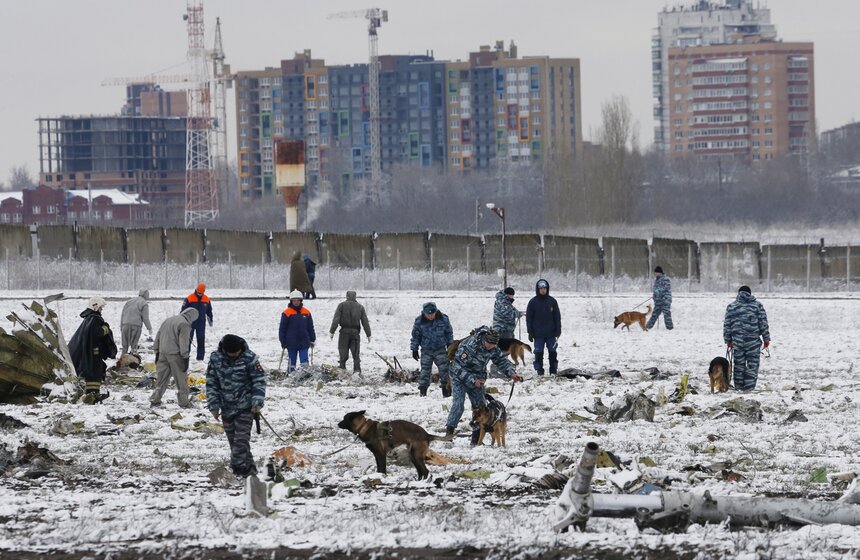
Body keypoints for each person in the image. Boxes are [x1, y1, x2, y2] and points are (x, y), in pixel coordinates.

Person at [445, 326, 523, 444]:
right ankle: (448, 435)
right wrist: (472, 380)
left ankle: (476, 440)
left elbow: (502, 361)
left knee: (481, 407)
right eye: (488, 343)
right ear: (484, 339)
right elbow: (456, 367)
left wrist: (512, 373)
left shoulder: (493, 348)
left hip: (477, 379)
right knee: (458, 405)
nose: (490, 346)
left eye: (493, 344)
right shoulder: (469, 346)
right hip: (459, 377)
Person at [206, 334, 267, 479]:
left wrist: (257, 402)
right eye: (231, 353)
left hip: (246, 408)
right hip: (226, 408)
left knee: (240, 442)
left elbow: (259, 380)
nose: (234, 355)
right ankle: (249, 473)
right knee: (235, 444)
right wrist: (214, 406)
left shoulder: (250, 358)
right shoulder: (215, 359)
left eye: (237, 352)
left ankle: (237, 468)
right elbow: (211, 383)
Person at [68, 297, 118, 404]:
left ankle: (92, 392)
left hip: (90, 352)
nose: (102, 310)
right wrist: (106, 328)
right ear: (95, 307)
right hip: (94, 353)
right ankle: (93, 393)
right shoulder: (95, 319)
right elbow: (97, 334)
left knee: (94, 371)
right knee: (95, 372)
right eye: (101, 307)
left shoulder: (88, 318)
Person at [723, 285, 771, 391]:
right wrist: (766, 339)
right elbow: (763, 323)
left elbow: (727, 325)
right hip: (753, 341)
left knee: (739, 365)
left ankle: (739, 388)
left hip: (737, 341)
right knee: (752, 366)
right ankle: (749, 388)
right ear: (750, 293)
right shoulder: (757, 306)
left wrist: (728, 340)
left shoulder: (732, 306)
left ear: (739, 293)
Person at [150, 308, 198, 408]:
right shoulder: (184, 324)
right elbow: (183, 342)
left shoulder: (168, 320)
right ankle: (184, 402)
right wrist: (185, 357)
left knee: (162, 379)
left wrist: (157, 351)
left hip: (162, 353)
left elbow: (158, 336)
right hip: (176, 355)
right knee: (181, 380)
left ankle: (155, 399)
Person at [410, 302, 454, 397]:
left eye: (432, 314)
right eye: (428, 314)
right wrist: (414, 349)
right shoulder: (419, 321)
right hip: (426, 350)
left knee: (444, 371)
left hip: (440, 349)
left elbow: (449, 333)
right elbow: (415, 336)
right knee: (425, 371)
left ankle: (446, 392)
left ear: (436, 312)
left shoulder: (444, 319)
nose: (430, 316)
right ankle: (423, 392)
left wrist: (450, 346)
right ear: (424, 313)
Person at [329, 290, 371, 372]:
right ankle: (357, 370)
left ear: (346, 296)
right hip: (355, 333)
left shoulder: (341, 306)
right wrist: (368, 334)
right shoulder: (360, 307)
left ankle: (342, 367)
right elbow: (365, 322)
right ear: (355, 296)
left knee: (343, 351)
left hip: (344, 332)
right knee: (356, 353)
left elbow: (336, 319)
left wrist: (332, 331)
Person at [526, 279, 562, 375]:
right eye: (541, 288)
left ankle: (553, 371)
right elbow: (529, 318)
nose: (543, 290)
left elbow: (557, 317)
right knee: (538, 353)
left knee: (553, 352)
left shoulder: (552, 301)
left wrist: (558, 330)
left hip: (551, 333)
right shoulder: (533, 302)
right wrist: (530, 332)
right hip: (538, 334)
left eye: (544, 288)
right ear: (538, 289)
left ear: (547, 289)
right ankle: (539, 371)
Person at [279, 290, 316, 372]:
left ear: (301, 301)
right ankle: (290, 375)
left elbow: (310, 327)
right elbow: (282, 329)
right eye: (294, 300)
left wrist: (312, 339)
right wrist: (283, 341)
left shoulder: (307, 312)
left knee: (304, 362)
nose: (296, 302)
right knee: (292, 362)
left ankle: (305, 376)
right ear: (291, 301)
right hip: (291, 342)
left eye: (298, 300)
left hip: (304, 342)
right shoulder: (286, 313)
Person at [181, 283, 213, 361]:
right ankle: (185, 357)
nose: (199, 294)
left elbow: (209, 311)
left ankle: (200, 358)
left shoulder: (206, 299)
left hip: (201, 324)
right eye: (198, 292)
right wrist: (182, 320)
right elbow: (183, 311)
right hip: (190, 323)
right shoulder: (189, 298)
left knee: (201, 340)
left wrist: (210, 319)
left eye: (201, 292)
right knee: (187, 340)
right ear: (196, 290)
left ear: (204, 291)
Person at [120, 289, 152, 355]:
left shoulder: (129, 301)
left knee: (124, 347)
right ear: (146, 295)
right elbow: (145, 318)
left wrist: (121, 326)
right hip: (136, 326)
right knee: (134, 347)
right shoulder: (144, 303)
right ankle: (133, 362)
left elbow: (122, 314)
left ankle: (122, 362)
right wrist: (149, 328)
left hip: (125, 324)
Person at [646, 266, 674, 330]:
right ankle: (648, 326)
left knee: (667, 314)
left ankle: (670, 328)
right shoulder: (657, 280)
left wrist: (656, 292)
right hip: (659, 300)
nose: (655, 274)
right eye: (655, 273)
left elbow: (665, 289)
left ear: (660, 272)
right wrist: (655, 295)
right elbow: (656, 289)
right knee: (654, 314)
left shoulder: (666, 279)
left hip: (665, 300)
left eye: (656, 272)